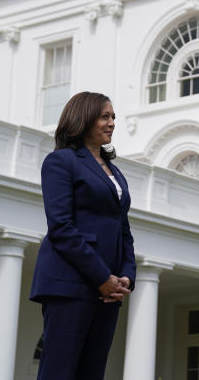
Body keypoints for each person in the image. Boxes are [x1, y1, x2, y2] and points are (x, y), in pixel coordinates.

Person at [29, 92, 136, 380]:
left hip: (109, 289)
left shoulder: (115, 173)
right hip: (70, 283)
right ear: (84, 117)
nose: (112, 122)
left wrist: (126, 274)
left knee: (92, 372)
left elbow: (123, 230)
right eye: (105, 116)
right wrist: (102, 278)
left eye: (113, 116)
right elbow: (61, 228)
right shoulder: (61, 162)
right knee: (59, 372)